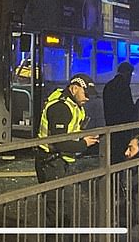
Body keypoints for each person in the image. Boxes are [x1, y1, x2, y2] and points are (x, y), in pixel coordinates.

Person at [35, 74, 99, 236]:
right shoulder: (60, 108)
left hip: (59, 161)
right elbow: (60, 142)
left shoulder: (74, 105)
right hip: (51, 162)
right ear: (74, 88)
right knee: (56, 211)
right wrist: (84, 144)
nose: (88, 98)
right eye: (86, 93)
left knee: (61, 209)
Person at [103, 62, 137, 163]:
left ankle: (112, 175)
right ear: (127, 73)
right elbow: (128, 107)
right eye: (130, 75)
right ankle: (119, 176)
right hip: (123, 126)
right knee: (122, 152)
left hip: (111, 124)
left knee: (113, 152)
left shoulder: (109, 85)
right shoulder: (124, 86)